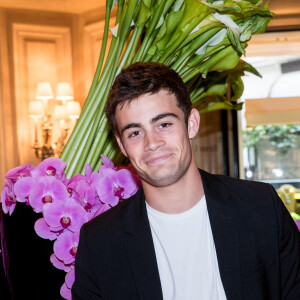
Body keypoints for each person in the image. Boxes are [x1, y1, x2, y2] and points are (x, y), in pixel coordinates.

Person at [72, 62, 300, 300]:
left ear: (191, 123)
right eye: (135, 133)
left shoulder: (261, 207)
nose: (152, 143)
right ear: (122, 145)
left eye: (164, 124)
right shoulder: (100, 242)